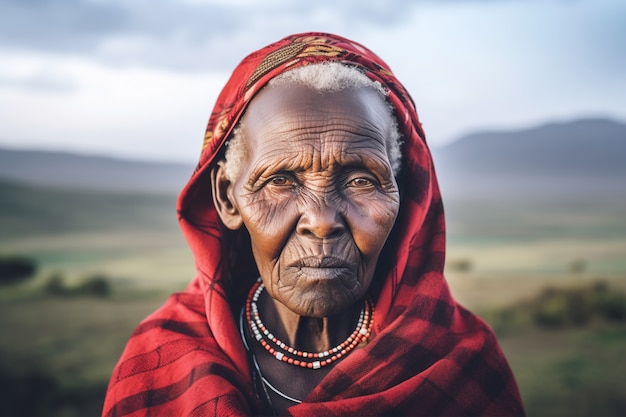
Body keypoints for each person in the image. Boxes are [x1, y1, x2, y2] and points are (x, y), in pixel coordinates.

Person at [103, 33, 525, 417]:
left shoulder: (458, 361)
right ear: (228, 198)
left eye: (361, 180)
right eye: (280, 181)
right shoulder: (160, 361)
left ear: (404, 197)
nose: (322, 221)